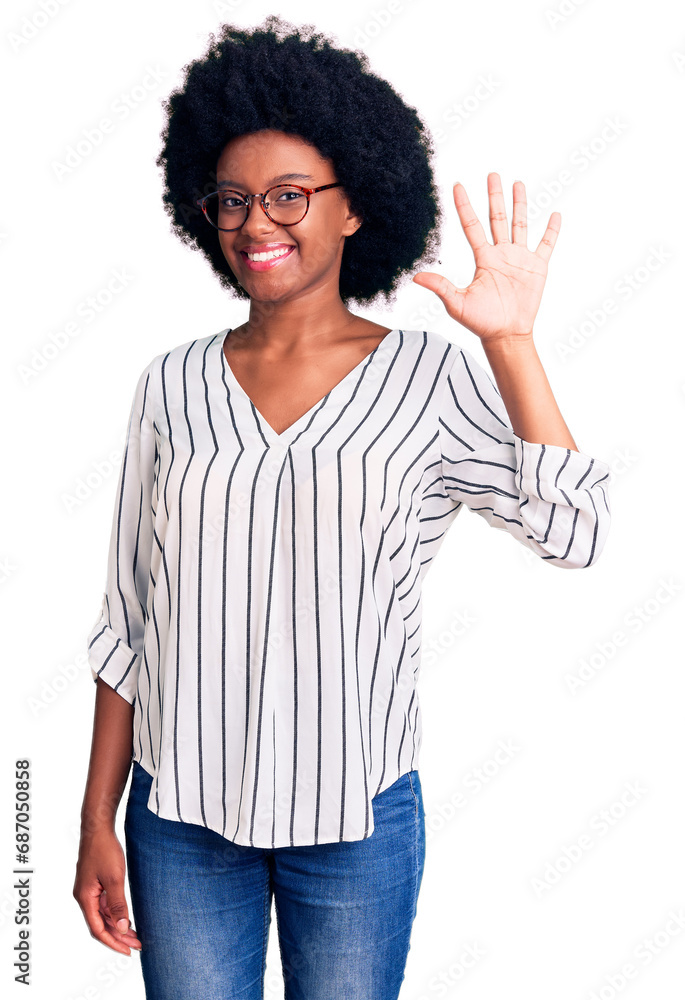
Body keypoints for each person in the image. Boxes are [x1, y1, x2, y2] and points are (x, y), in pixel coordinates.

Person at [72, 15, 612, 1000]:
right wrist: (93, 821)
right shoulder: (172, 385)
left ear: (355, 206)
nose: (255, 225)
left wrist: (512, 345)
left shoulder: (424, 379)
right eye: (231, 200)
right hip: (181, 818)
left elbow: (572, 530)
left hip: (354, 819)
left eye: (288, 196)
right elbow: (129, 623)